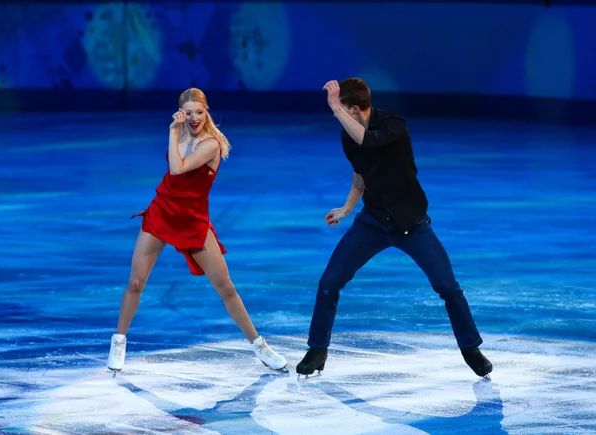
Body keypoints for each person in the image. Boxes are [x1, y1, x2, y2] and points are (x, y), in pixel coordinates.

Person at [296, 78, 492, 378]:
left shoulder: (394, 126)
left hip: (411, 223)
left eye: (344, 112)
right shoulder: (348, 134)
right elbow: (360, 172)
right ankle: (317, 350)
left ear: (359, 110)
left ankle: (470, 349)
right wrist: (347, 208)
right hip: (373, 221)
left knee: (448, 287)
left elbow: (368, 141)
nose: (339, 117)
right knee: (329, 282)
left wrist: (335, 106)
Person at [107, 88, 287, 372]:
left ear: (207, 111)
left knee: (225, 287)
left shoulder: (211, 144)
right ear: (181, 112)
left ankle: (259, 346)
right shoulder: (180, 134)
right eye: (188, 113)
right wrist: (175, 132)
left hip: (193, 221)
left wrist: (172, 130)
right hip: (162, 212)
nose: (194, 118)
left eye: (199, 112)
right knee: (136, 282)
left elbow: (178, 169)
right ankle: (118, 341)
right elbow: (173, 174)